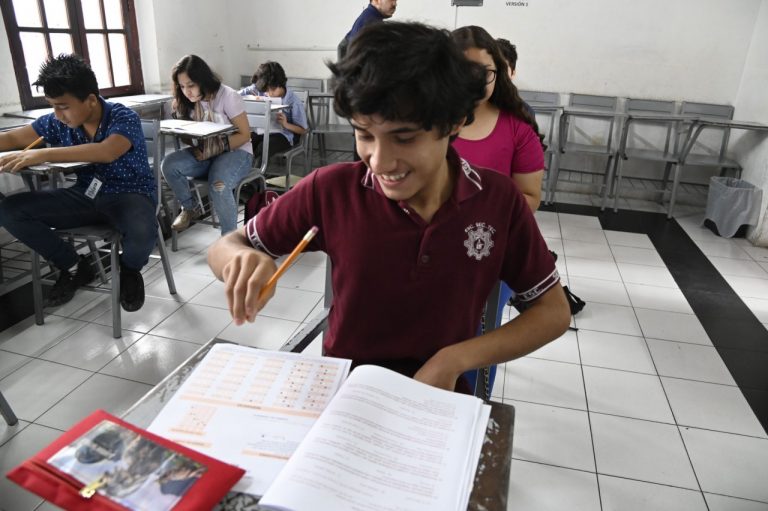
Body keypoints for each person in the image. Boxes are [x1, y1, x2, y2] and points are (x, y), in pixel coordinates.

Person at [208, 21, 570, 394]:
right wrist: (240, 259)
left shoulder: (497, 200)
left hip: (440, 397)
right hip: (344, 395)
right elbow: (224, 248)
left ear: (455, 122)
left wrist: (456, 359)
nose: (379, 162)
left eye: (405, 138)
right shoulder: (331, 190)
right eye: (364, 134)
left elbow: (553, 312)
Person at [0, 54, 156, 311]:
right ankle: (73, 265)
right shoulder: (56, 122)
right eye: (52, 106)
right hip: (85, 195)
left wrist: (43, 154)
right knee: (10, 210)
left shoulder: (123, 117)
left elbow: (107, 151)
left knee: (142, 230)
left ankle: (129, 270)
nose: (57, 114)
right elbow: (14, 138)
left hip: (130, 194)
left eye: (63, 106)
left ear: (91, 100)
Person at [451, 26, 545, 212]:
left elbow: (530, 198)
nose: (474, 81)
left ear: (498, 74)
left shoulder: (518, 129)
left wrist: (477, 207)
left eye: (484, 72)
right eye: (463, 71)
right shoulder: (424, 122)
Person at [162, 55, 253, 235]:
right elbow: (191, 138)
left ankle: (230, 240)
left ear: (202, 80)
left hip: (237, 152)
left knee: (218, 184)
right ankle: (189, 207)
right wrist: (180, 122)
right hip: (205, 154)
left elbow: (244, 134)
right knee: (169, 165)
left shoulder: (228, 96)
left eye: (191, 85)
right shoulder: (187, 101)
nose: (186, 91)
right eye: (181, 86)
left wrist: (211, 150)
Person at [238, 61, 308, 163]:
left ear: (282, 84)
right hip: (261, 131)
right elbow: (236, 95)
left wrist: (286, 124)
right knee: (246, 142)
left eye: (273, 89)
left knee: (263, 148)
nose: (269, 93)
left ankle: (259, 175)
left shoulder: (293, 101)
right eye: (266, 90)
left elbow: (303, 130)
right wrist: (252, 98)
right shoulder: (261, 88)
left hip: (285, 134)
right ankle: (246, 173)